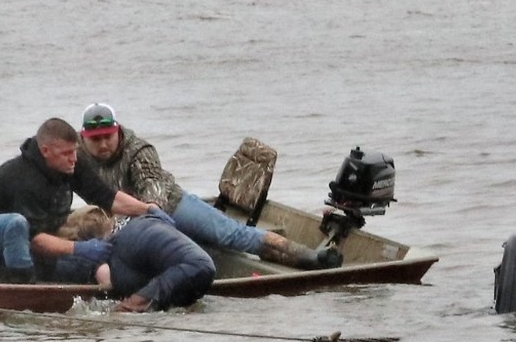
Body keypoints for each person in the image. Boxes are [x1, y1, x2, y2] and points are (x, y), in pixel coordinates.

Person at [76, 103, 342, 270]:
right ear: (83, 137)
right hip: (121, 220)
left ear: (117, 131)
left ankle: (310, 257)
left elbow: (153, 196)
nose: (102, 145)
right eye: (94, 139)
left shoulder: (139, 151)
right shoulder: (74, 154)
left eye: (107, 137)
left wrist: (138, 224)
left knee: (231, 236)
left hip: (170, 206)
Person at [0, 117, 164, 284]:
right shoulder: (24, 179)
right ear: (45, 151)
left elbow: (107, 198)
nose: (73, 158)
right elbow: (35, 239)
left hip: (30, 237)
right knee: (16, 225)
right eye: (66, 153)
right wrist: (80, 249)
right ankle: (20, 285)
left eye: (75, 151)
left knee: (91, 246)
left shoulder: (71, 163)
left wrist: (147, 208)